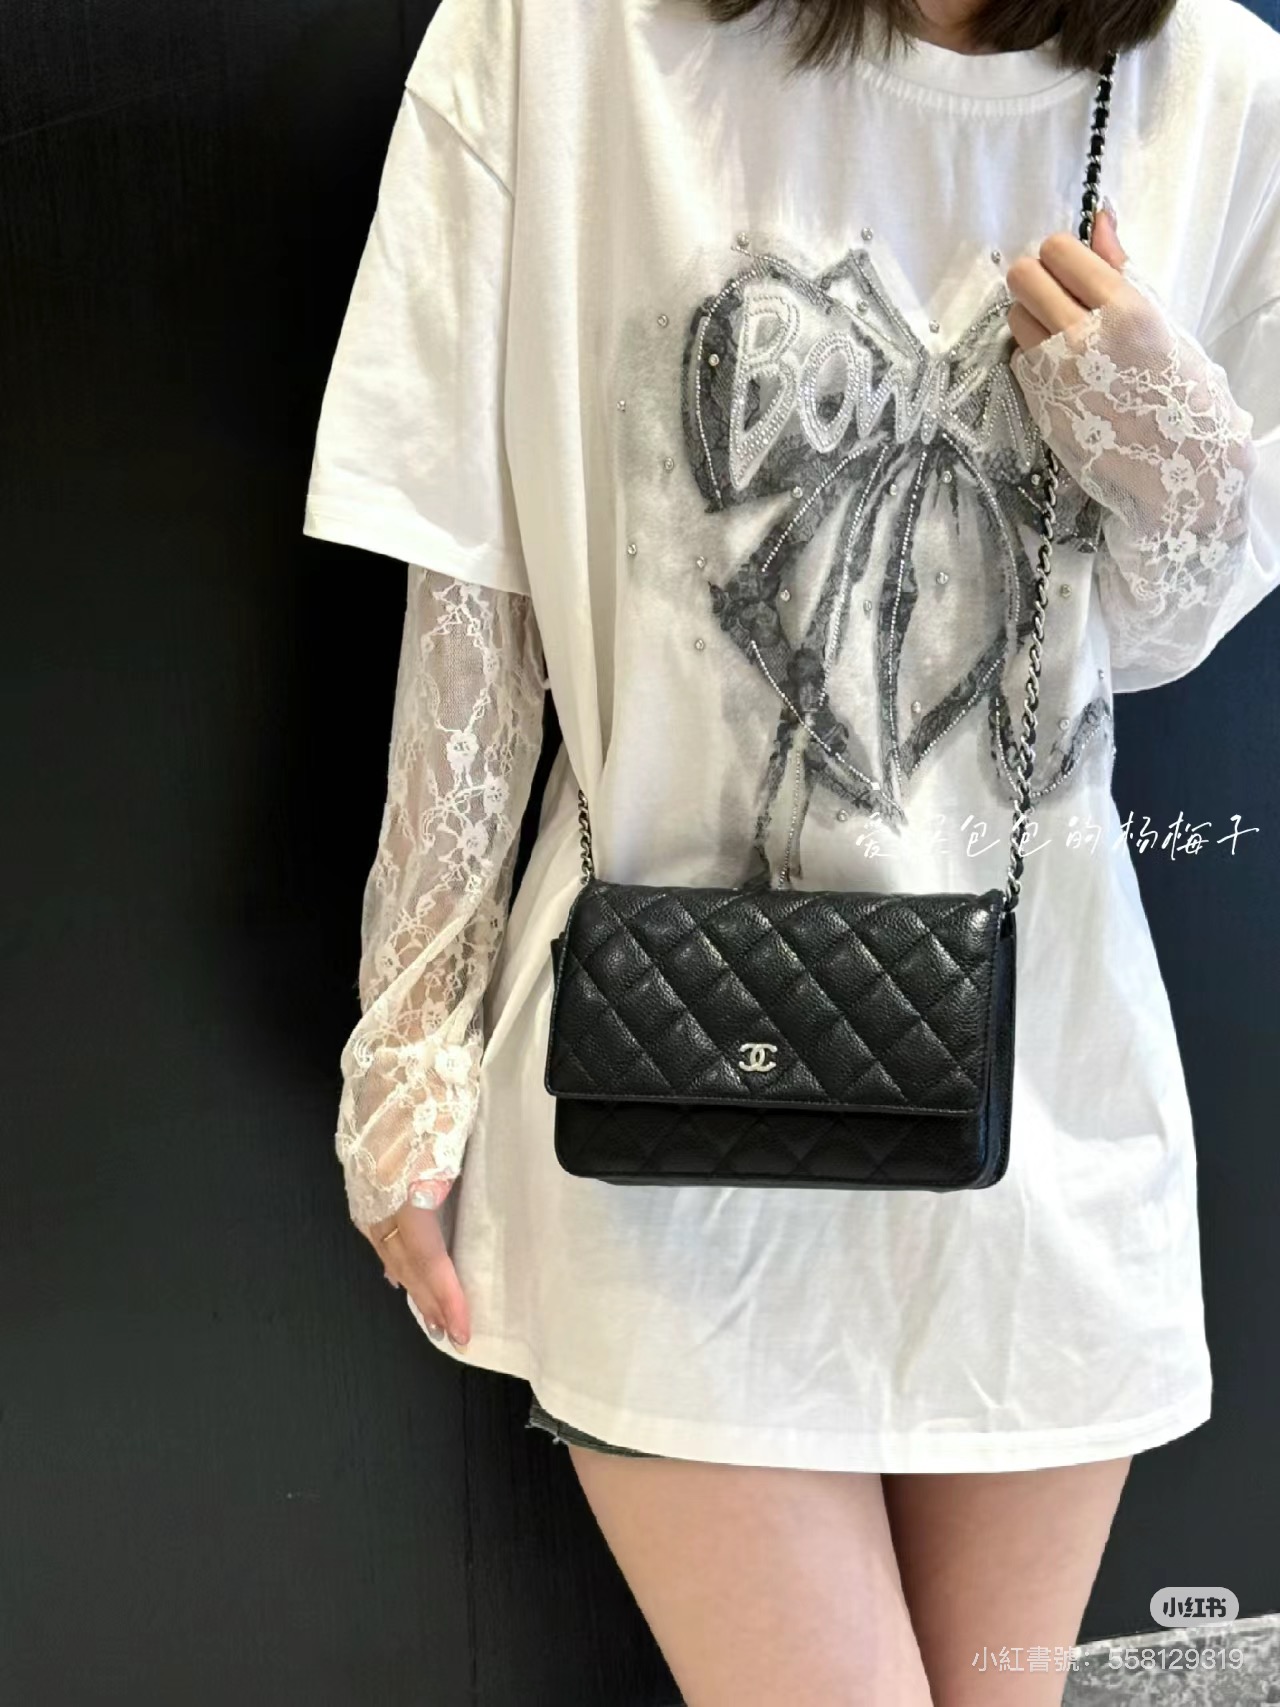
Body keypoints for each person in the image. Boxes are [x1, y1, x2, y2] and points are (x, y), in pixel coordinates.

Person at [303, 0, 1280, 1698]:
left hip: (1039, 1099)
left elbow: (1150, 640)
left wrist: (1175, 456)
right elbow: (473, 593)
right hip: (667, 1104)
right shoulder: (559, 40)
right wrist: (413, 1025)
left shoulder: (1219, 90)